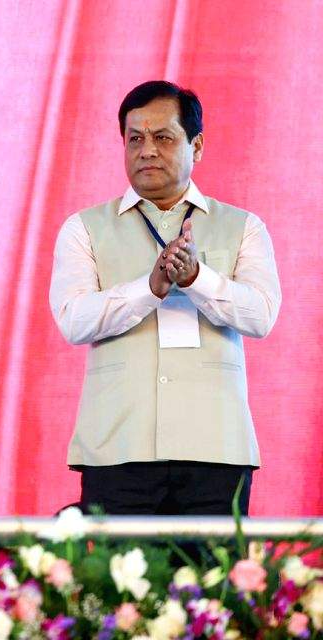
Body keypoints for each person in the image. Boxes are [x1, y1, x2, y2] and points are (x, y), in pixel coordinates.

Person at [49, 81, 281, 515]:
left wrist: (197, 278)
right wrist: (148, 288)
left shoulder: (243, 225)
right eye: (135, 138)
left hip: (216, 448)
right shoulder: (83, 227)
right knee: (114, 584)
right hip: (117, 446)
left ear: (197, 147)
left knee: (214, 584)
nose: (147, 150)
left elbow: (262, 315)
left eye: (163, 137)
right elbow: (73, 319)